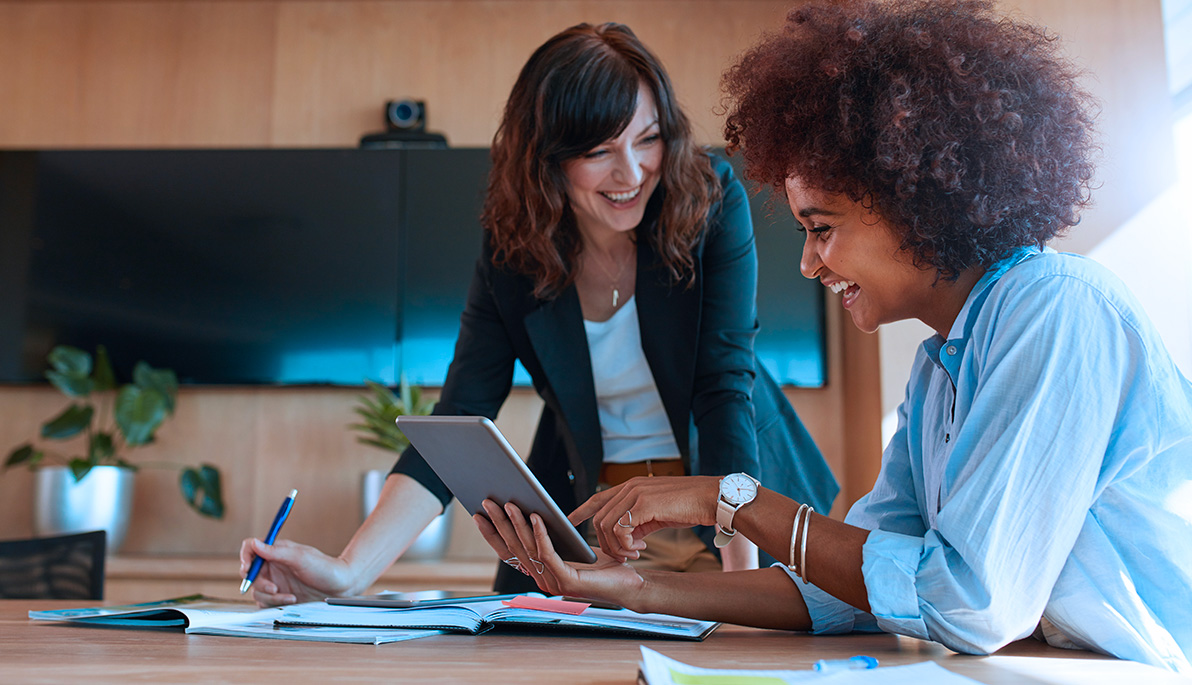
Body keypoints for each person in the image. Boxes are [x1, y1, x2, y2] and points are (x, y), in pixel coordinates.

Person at [475, 0, 1192, 673]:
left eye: (822, 229)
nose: (809, 261)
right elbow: (851, 587)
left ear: (915, 202)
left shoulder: (1054, 310)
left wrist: (731, 498)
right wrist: (637, 589)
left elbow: (968, 601)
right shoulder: (939, 369)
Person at [239, 22, 837, 603]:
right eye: (599, 151)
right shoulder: (515, 249)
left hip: (734, 516)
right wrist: (347, 573)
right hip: (605, 530)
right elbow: (460, 416)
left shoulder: (708, 199)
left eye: (648, 138)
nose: (631, 173)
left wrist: (740, 584)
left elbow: (722, 385)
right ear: (547, 158)